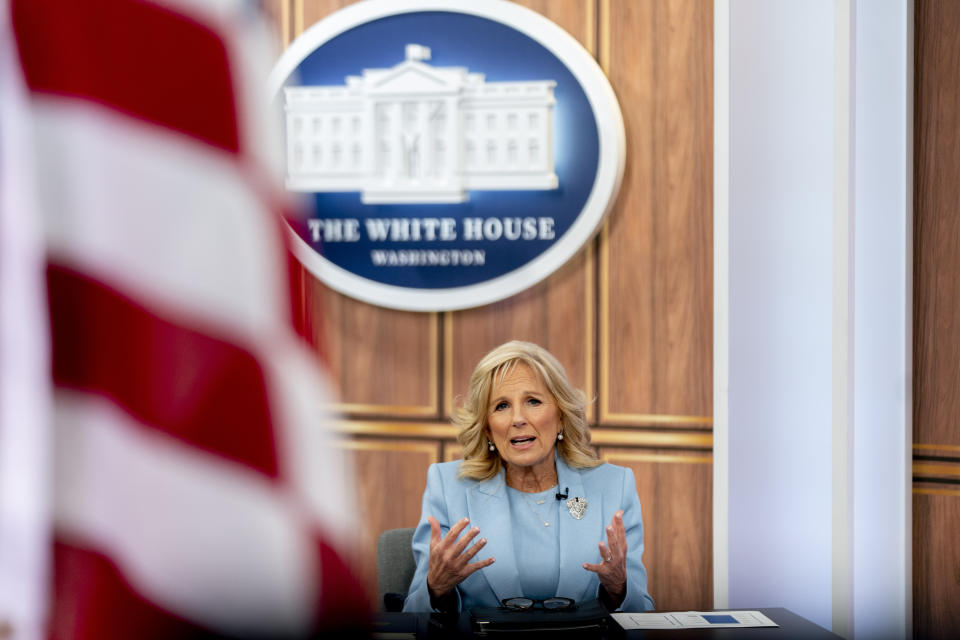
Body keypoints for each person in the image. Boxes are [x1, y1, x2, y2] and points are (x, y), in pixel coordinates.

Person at [403, 341, 654, 613]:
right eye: (501, 406)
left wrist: (619, 589)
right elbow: (413, 616)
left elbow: (641, 613)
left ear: (561, 415)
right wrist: (436, 588)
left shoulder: (614, 486)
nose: (517, 418)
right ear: (487, 428)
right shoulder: (447, 485)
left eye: (533, 401)